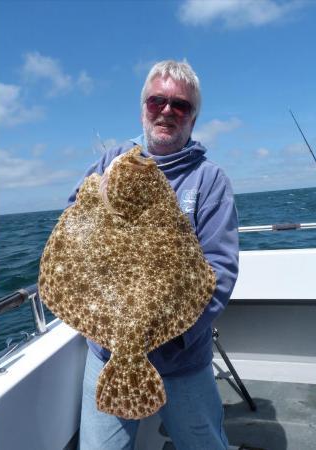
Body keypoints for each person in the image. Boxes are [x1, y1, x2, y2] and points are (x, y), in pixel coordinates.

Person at [69, 60, 239, 450]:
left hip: (182, 360)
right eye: (157, 101)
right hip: (109, 354)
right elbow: (72, 226)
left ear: (193, 119)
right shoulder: (110, 161)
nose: (166, 110)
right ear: (142, 106)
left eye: (180, 105)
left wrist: (170, 337)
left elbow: (220, 271)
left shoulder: (209, 179)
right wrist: (98, 196)